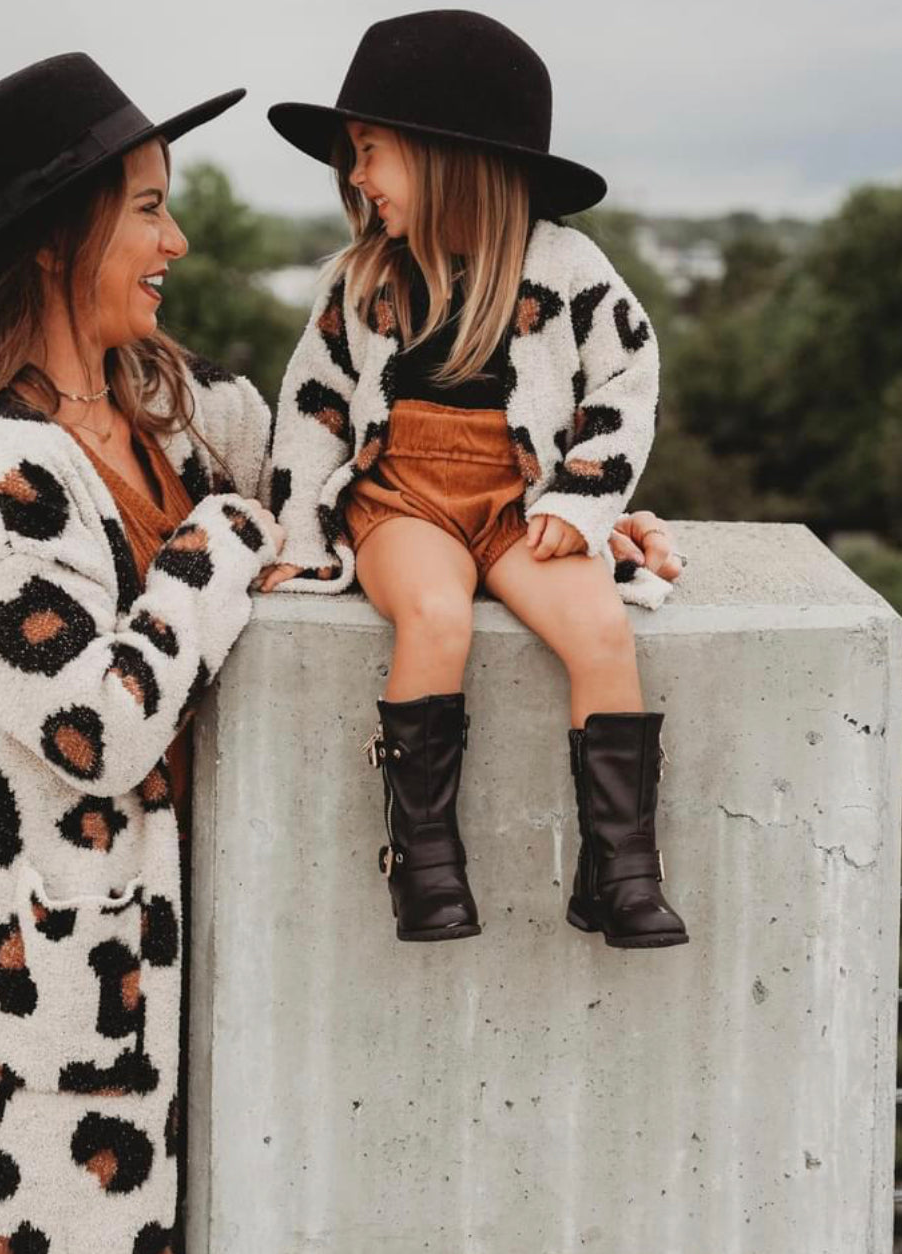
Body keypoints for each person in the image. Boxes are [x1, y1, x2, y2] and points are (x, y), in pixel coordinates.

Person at [0, 54, 283, 1252]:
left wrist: (571, 528)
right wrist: (226, 535)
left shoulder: (174, 411)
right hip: (4, 1035)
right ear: (55, 240)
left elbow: (344, 485)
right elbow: (97, 729)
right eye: (148, 208)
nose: (176, 241)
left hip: (124, 1011)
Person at [260, 11, 691, 950]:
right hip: (401, 498)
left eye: (370, 151)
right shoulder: (362, 279)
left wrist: (583, 502)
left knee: (601, 631)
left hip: (519, 504)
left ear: (446, 155)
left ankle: (620, 870)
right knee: (435, 615)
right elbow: (313, 410)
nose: (356, 177)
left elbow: (628, 384)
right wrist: (299, 537)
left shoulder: (568, 269)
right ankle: (424, 860)